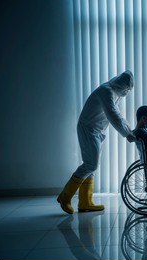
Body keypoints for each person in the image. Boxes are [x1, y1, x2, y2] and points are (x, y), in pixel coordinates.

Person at [58, 70, 136, 214]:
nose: (127, 92)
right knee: (91, 164)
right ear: (121, 85)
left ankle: (85, 202)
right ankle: (65, 196)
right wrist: (127, 134)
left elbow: (117, 114)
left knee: (92, 165)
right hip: (89, 128)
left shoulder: (112, 92)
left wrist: (130, 131)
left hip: (97, 130)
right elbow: (112, 114)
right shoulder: (106, 91)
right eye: (127, 89)